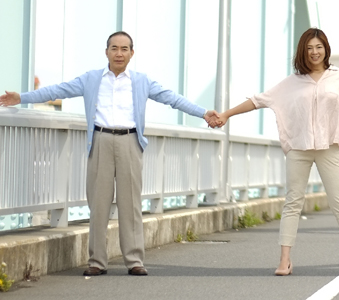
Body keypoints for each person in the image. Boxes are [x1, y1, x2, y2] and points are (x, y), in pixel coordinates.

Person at [0, 31, 221, 276]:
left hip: (130, 141)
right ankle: (97, 261)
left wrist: (203, 113)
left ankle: (135, 260)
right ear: (106, 52)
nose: (119, 53)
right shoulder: (91, 79)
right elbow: (57, 91)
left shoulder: (141, 81)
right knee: (99, 203)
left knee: (131, 204)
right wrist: (22, 97)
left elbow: (173, 99)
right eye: (114, 48)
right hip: (101, 140)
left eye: (124, 49)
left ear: (131, 53)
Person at [212, 28, 339, 276]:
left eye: (319, 47)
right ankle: (284, 261)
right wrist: (226, 114)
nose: (314, 52)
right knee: (292, 203)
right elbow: (258, 100)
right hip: (298, 149)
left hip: (329, 149)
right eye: (310, 48)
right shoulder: (292, 82)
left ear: (326, 49)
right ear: (303, 51)